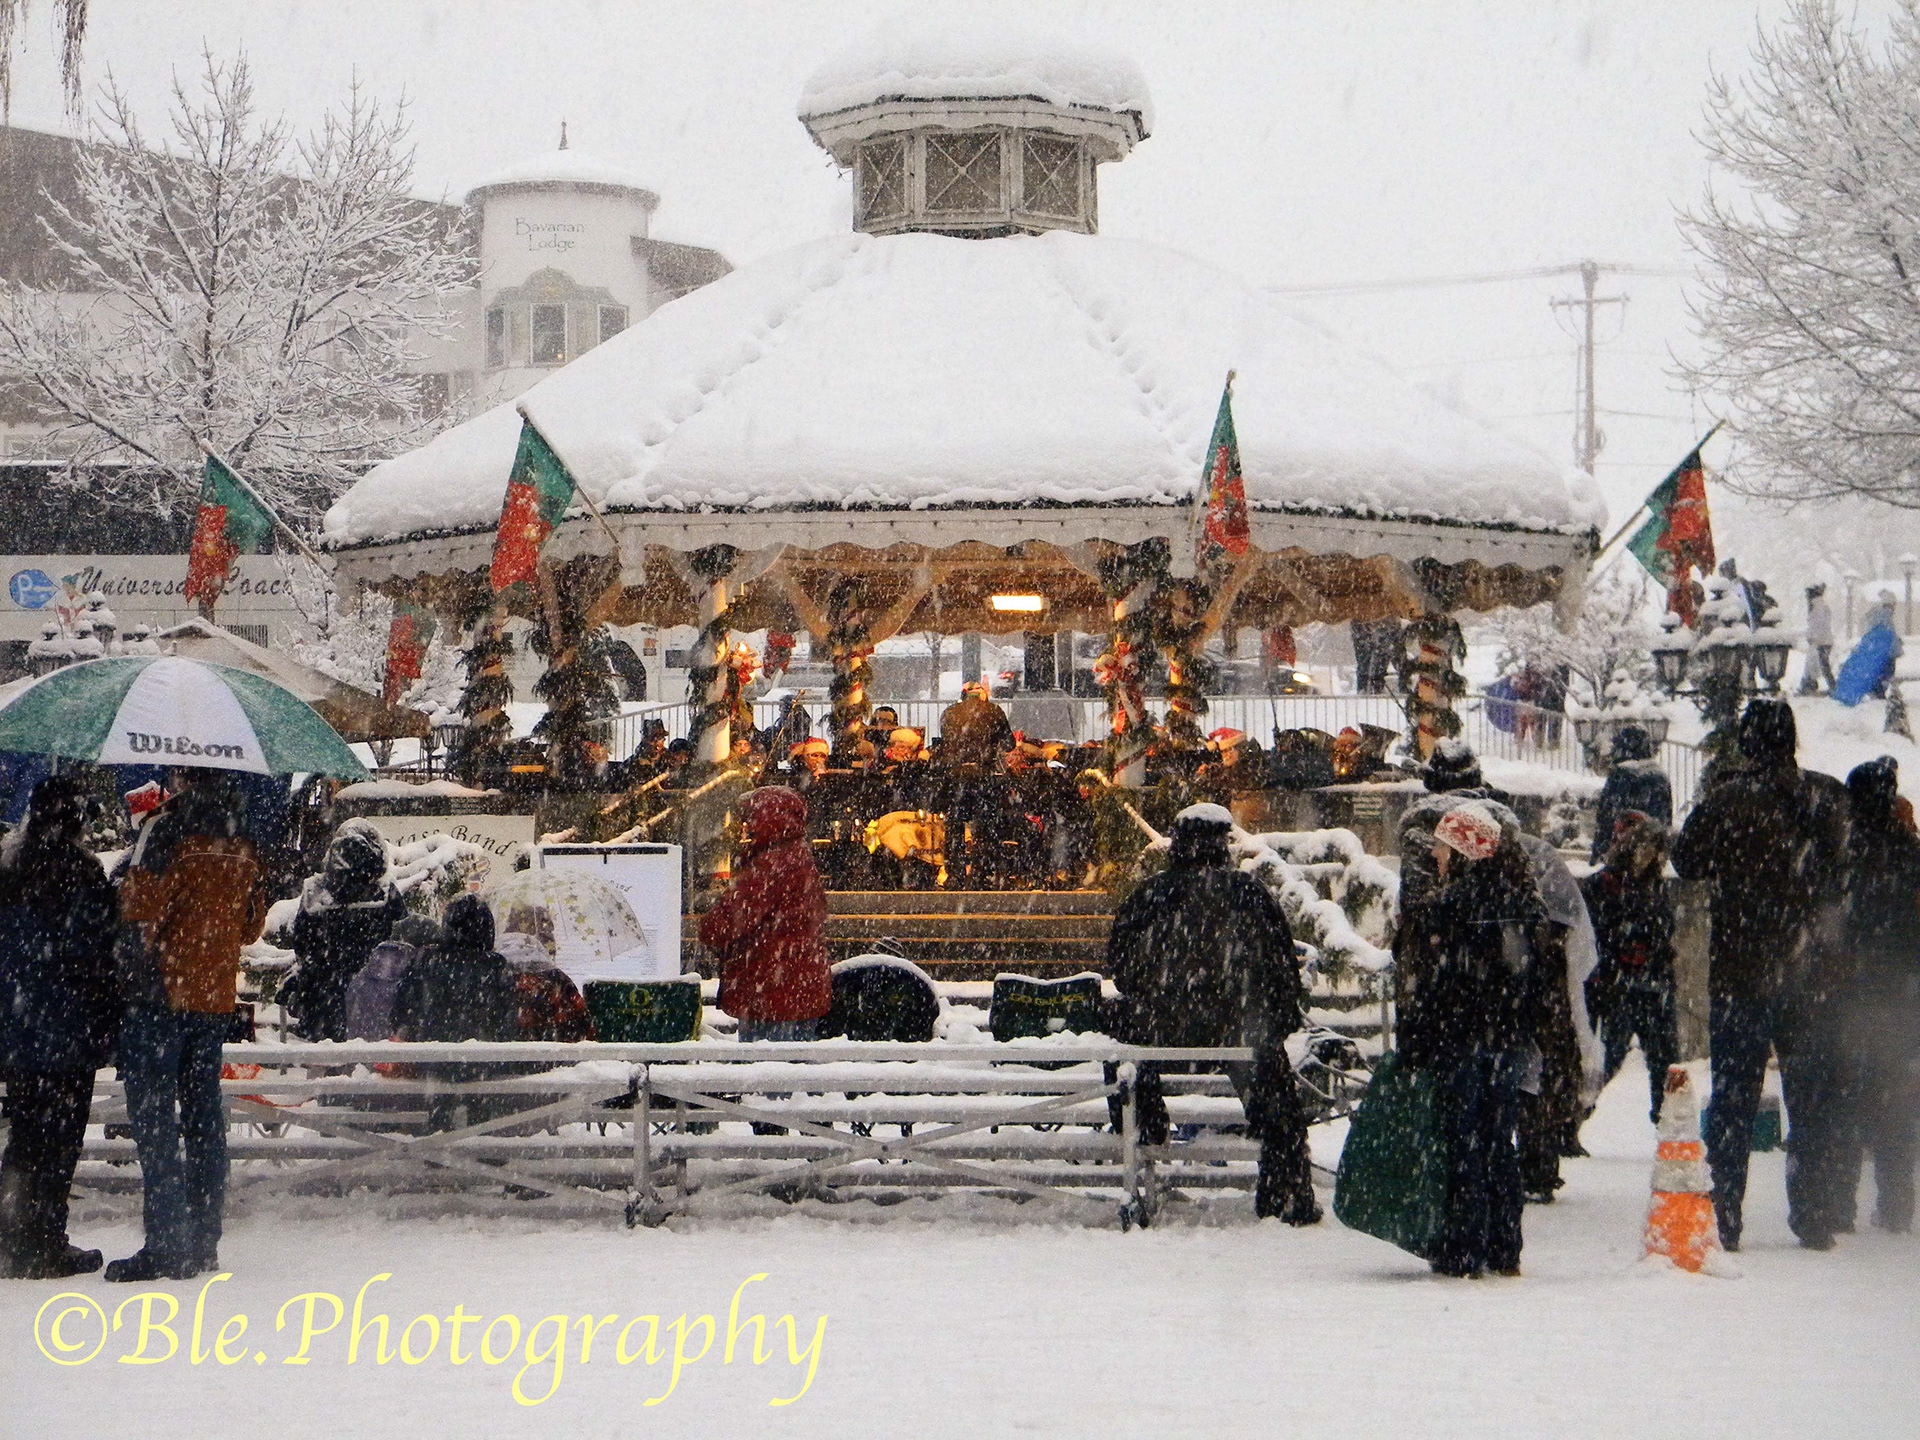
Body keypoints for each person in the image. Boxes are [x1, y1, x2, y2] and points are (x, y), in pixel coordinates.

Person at [1672, 699, 1851, 1251]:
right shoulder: (1827, 797)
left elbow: (1687, 861)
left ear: (1748, 741)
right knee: (1810, 1096)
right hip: (1809, 974)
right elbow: (1847, 871)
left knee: (1733, 1100)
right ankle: (1816, 1213)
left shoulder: (1728, 799)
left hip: (1741, 972)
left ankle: (1725, 1213)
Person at [1103, 804, 1320, 1223]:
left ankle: (1147, 1125)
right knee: (1277, 1101)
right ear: (1223, 846)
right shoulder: (1249, 895)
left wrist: (1165, 998)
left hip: (1161, 1029)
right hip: (1238, 1027)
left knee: (1124, 1048)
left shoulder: (1150, 895)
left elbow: (1122, 969)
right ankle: (1287, 1193)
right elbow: (1280, 969)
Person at [111, 769, 268, 1282]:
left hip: (160, 994)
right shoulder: (243, 839)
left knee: (155, 1122)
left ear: (182, 775)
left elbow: (140, 912)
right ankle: (203, 1241)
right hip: (213, 996)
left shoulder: (166, 829)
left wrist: (123, 884)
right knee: (203, 1117)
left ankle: (165, 1243)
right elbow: (250, 926)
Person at [1403, 801, 1544, 1277]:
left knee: (1463, 1141)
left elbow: (1436, 984)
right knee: (1499, 1141)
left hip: (1461, 1039)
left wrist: (1420, 1036)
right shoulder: (1518, 902)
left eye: (1443, 848)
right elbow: (1529, 976)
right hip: (1505, 1039)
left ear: (1462, 850)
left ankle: (1465, 1246)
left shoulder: (1450, 906)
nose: (1437, 858)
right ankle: (1505, 1246)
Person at [0, 777, 120, 1278]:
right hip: (68, 1034)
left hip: (18, 1032)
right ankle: (46, 1242)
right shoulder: (86, 876)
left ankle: (11, 1236)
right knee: (60, 1140)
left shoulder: (7, 872)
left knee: (26, 1136)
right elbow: (99, 960)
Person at [1840, 757, 1920, 1233]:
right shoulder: (1910, 852)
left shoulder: (1845, 852)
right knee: (1897, 1101)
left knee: (1847, 1096)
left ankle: (1839, 1200)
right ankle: (1895, 1203)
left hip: (1852, 993)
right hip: (1902, 993)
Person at [699, 786, 831, 1043]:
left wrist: (710, 927)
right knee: (790, 1070)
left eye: (752, 817)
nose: (747, 824)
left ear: (769, 818)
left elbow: (735, 916)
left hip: (772, 989)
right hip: (793, 985)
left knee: (763, 1072)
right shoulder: (796, 854)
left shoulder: (772, 863)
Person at [1580, 812, 1679, 1123]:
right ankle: (1573, 1117)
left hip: (1652, 983)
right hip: (1616, 985)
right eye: (1647, 848)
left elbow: (1663, 931)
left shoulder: (1655, 886)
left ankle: (1666, 1120)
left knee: (1664, 1059)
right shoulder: (1603, 885)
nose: (1653, 857)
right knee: (1606, 1059)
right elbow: (1593, 935)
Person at [1394, 739, 1501, 1000]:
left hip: (1434, 970)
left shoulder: (1421, 825)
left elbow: (1415, 903)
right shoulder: (1497, 822)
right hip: (1494, 968)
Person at [284, 820, 407, 1042]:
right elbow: (399, 943)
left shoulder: (316, 892)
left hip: (321, 993)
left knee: (319, 1062)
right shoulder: (384, 893)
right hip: (372, 996)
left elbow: (301, 941)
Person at [343, 915, 440, 1041]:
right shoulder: (416, 976)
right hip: (398, 1055)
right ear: (424, 947)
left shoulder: (366, 973)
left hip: (358, 1052)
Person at [1589, 724, 1673, 862]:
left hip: (1622, 852)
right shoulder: (1661, 778)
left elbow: (1607, 817)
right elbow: (1665, 819)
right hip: (1651, 852)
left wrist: (1599, 852)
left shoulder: (1621, 775)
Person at [1801, 585, 1837, 695]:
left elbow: (1817, 626)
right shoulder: (1821, 605)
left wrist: (1812, 638)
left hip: (1821, 641)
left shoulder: (1817, 607)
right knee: (1820, 665)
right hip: (1824, 640)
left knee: (1821, 665)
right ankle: (1810, 683)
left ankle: (1832, 687)